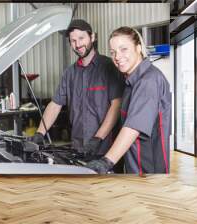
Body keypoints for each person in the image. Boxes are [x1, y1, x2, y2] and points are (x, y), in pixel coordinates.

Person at [30, 19, 123, 157]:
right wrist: (40, 133)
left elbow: (116, 105)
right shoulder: (70, 73)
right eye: (73, 41)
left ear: (92, 37)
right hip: (78, 147)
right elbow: (55, 104)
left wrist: (97, 138)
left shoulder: (109, 67)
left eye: (81, 38)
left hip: (106, 149)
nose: (78, 44)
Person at [86, 26, 172, 174]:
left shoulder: (148, 80)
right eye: (113, 52)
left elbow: (133, 127)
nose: (117, 57)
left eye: (123, 49)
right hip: (134, 166)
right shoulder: (131, 81)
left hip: (149, 170)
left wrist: (106, 161)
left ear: (138, 48)